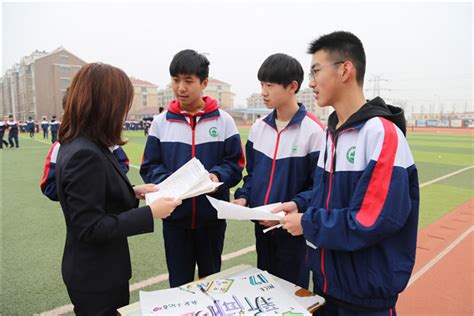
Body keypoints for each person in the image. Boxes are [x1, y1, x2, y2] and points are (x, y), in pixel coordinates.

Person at [277, 31, 419, 316]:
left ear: (345, 70)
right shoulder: (333, 134)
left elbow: (373, 218)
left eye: (316, 71)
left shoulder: (381, 133)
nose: (312, 82)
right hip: (327, 287)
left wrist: (308, 223)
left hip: (365, 298)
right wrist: (300, 205)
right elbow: (326, 195)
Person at [55, 62, 182, 315]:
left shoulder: (86, 144)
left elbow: (94, 195)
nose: (125, 112)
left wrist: (131, 191)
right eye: (123, 103)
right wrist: (151, 213)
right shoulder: (85, 153)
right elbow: (90, 227)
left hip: (96, 272)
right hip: (96, 277)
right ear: (106, 105)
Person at [140, 49, 244, 287]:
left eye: (188, 81)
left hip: (212, 219)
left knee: (212, 282)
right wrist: (173, 183)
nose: (181, 88)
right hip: (175, 219)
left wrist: (215, 176)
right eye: (176, 80)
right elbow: (150, 166)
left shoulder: (224, 120)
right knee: (179, 284)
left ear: (204, 82)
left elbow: (235, 164)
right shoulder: (161, 122)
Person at [233, 53, 325, 289]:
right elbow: (251, 175)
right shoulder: (257, 129)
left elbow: (320, 188)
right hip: (262, 229)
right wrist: (243, 196)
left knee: (293, 295)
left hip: (294, 233)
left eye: (270, 85)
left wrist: (294, 206)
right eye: (262, 84)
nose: (264, 91)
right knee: (266, 291)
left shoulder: (314, 132)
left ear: (292, 86)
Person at [40, 89, 130, 201]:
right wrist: (81, 189)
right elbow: (49, 187)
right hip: (83, 209)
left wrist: (107, 183)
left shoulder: (108, 141)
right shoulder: (59, 146)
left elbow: (123, 164)